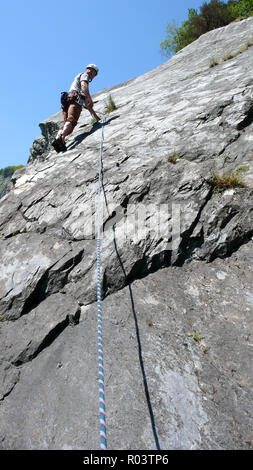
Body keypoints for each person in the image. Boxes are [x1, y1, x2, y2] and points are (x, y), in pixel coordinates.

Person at [52, 64, 101, 152]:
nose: (93, 75)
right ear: (87, 69)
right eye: (93, 72)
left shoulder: (78, 77)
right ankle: (62, 138)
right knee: (71, 120)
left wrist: (95, 116)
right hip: (75, 100)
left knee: (67, 123)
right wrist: (89, 98)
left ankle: (57, 137)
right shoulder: (84, 75)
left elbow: (87, 105)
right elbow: (84, 86)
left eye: (94, 74)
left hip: (67, 99)